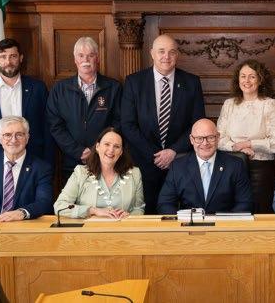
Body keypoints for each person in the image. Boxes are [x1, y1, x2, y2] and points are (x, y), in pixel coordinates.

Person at [120, 34, 205, 213]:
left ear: (177, 55)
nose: (166, 56)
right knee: (146, 216)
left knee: (181, 216)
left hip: (180, 162)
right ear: (152, 53)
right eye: (161, 51)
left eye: (172, 52)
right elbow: (128, 125)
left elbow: (197, 124)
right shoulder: (134, 82)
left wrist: (173, 151)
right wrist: (156, 155)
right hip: (144, 164)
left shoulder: (192, 82)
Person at [47, 37, 122, 182]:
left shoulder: (114, 88)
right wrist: (78, 151)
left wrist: (98, 150)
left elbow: (118, 123)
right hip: (72, 163)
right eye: (81, 55)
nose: (85, 60)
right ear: (75, 60)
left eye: (90, 55)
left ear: (97, 58)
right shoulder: (60, 89)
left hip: (105, 160)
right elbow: (55, 125)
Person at [217, 59, 275, 213]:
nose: (246, 81)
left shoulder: (272, 105)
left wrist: (248, 144)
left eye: (252, 76)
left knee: (259, 212)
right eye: (243, 76)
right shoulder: (229, 104)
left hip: (260, 170)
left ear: (260, 80)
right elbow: (219, 139)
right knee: (231, 214)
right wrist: (237, 148)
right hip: (230, 167)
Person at [0, 38, 50, 162]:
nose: (8, 62)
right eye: (3, 57)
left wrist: (47, 163)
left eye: (13, 56)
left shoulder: (38, 89)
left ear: (21, 58)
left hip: (34, 161)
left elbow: (47, 127)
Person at [158, 119, 253, 214]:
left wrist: (225, 221)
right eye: (199, 138)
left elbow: (245, 203)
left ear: (218, 137)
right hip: (190, 222)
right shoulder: (178, 166)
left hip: (224, 222)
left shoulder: (235, 165)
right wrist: (184, 219)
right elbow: (165, 203)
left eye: (210, 137)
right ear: (191, 140)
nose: (205, 143)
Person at [53, 127, 144, 219]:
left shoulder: (135, 174)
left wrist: (129, 216)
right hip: (90, 228)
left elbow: (139, 208)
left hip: (122, 227)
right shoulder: (81, 172)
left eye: (116, 146)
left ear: (121, 152)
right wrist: (93, 211)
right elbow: (60, 206)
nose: (111, 150)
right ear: (97, 147)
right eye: (107, 144)